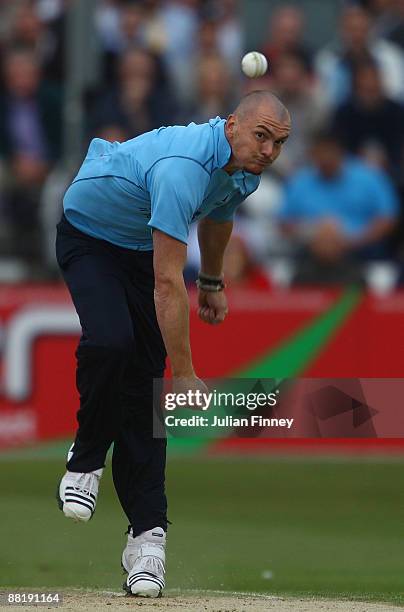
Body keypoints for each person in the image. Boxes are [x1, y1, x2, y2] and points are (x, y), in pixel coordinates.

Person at [55, 90, 291, 597]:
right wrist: (183, 373)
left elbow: (220, 215)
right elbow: (166, 283)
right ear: (231, 126)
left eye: (279, 143)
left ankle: (146, 541)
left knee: (144, 396)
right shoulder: (183, 167)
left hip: (138, 246)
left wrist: (211, 282)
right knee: (112, 342)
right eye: (261, 136)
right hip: (89, 234)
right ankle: (86, 457)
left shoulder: (243, 170)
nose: (270, 151)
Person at [278, 131, 398, 285]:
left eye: (330, 152)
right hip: (312, 248)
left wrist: (354, 240)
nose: (325, 158)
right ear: (313, 154)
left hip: (360, 246)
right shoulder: (300, 180)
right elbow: (284, 222)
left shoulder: (369, 176)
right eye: (321, 152)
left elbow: (388, 217)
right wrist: (313, 235)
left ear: (341, 152)